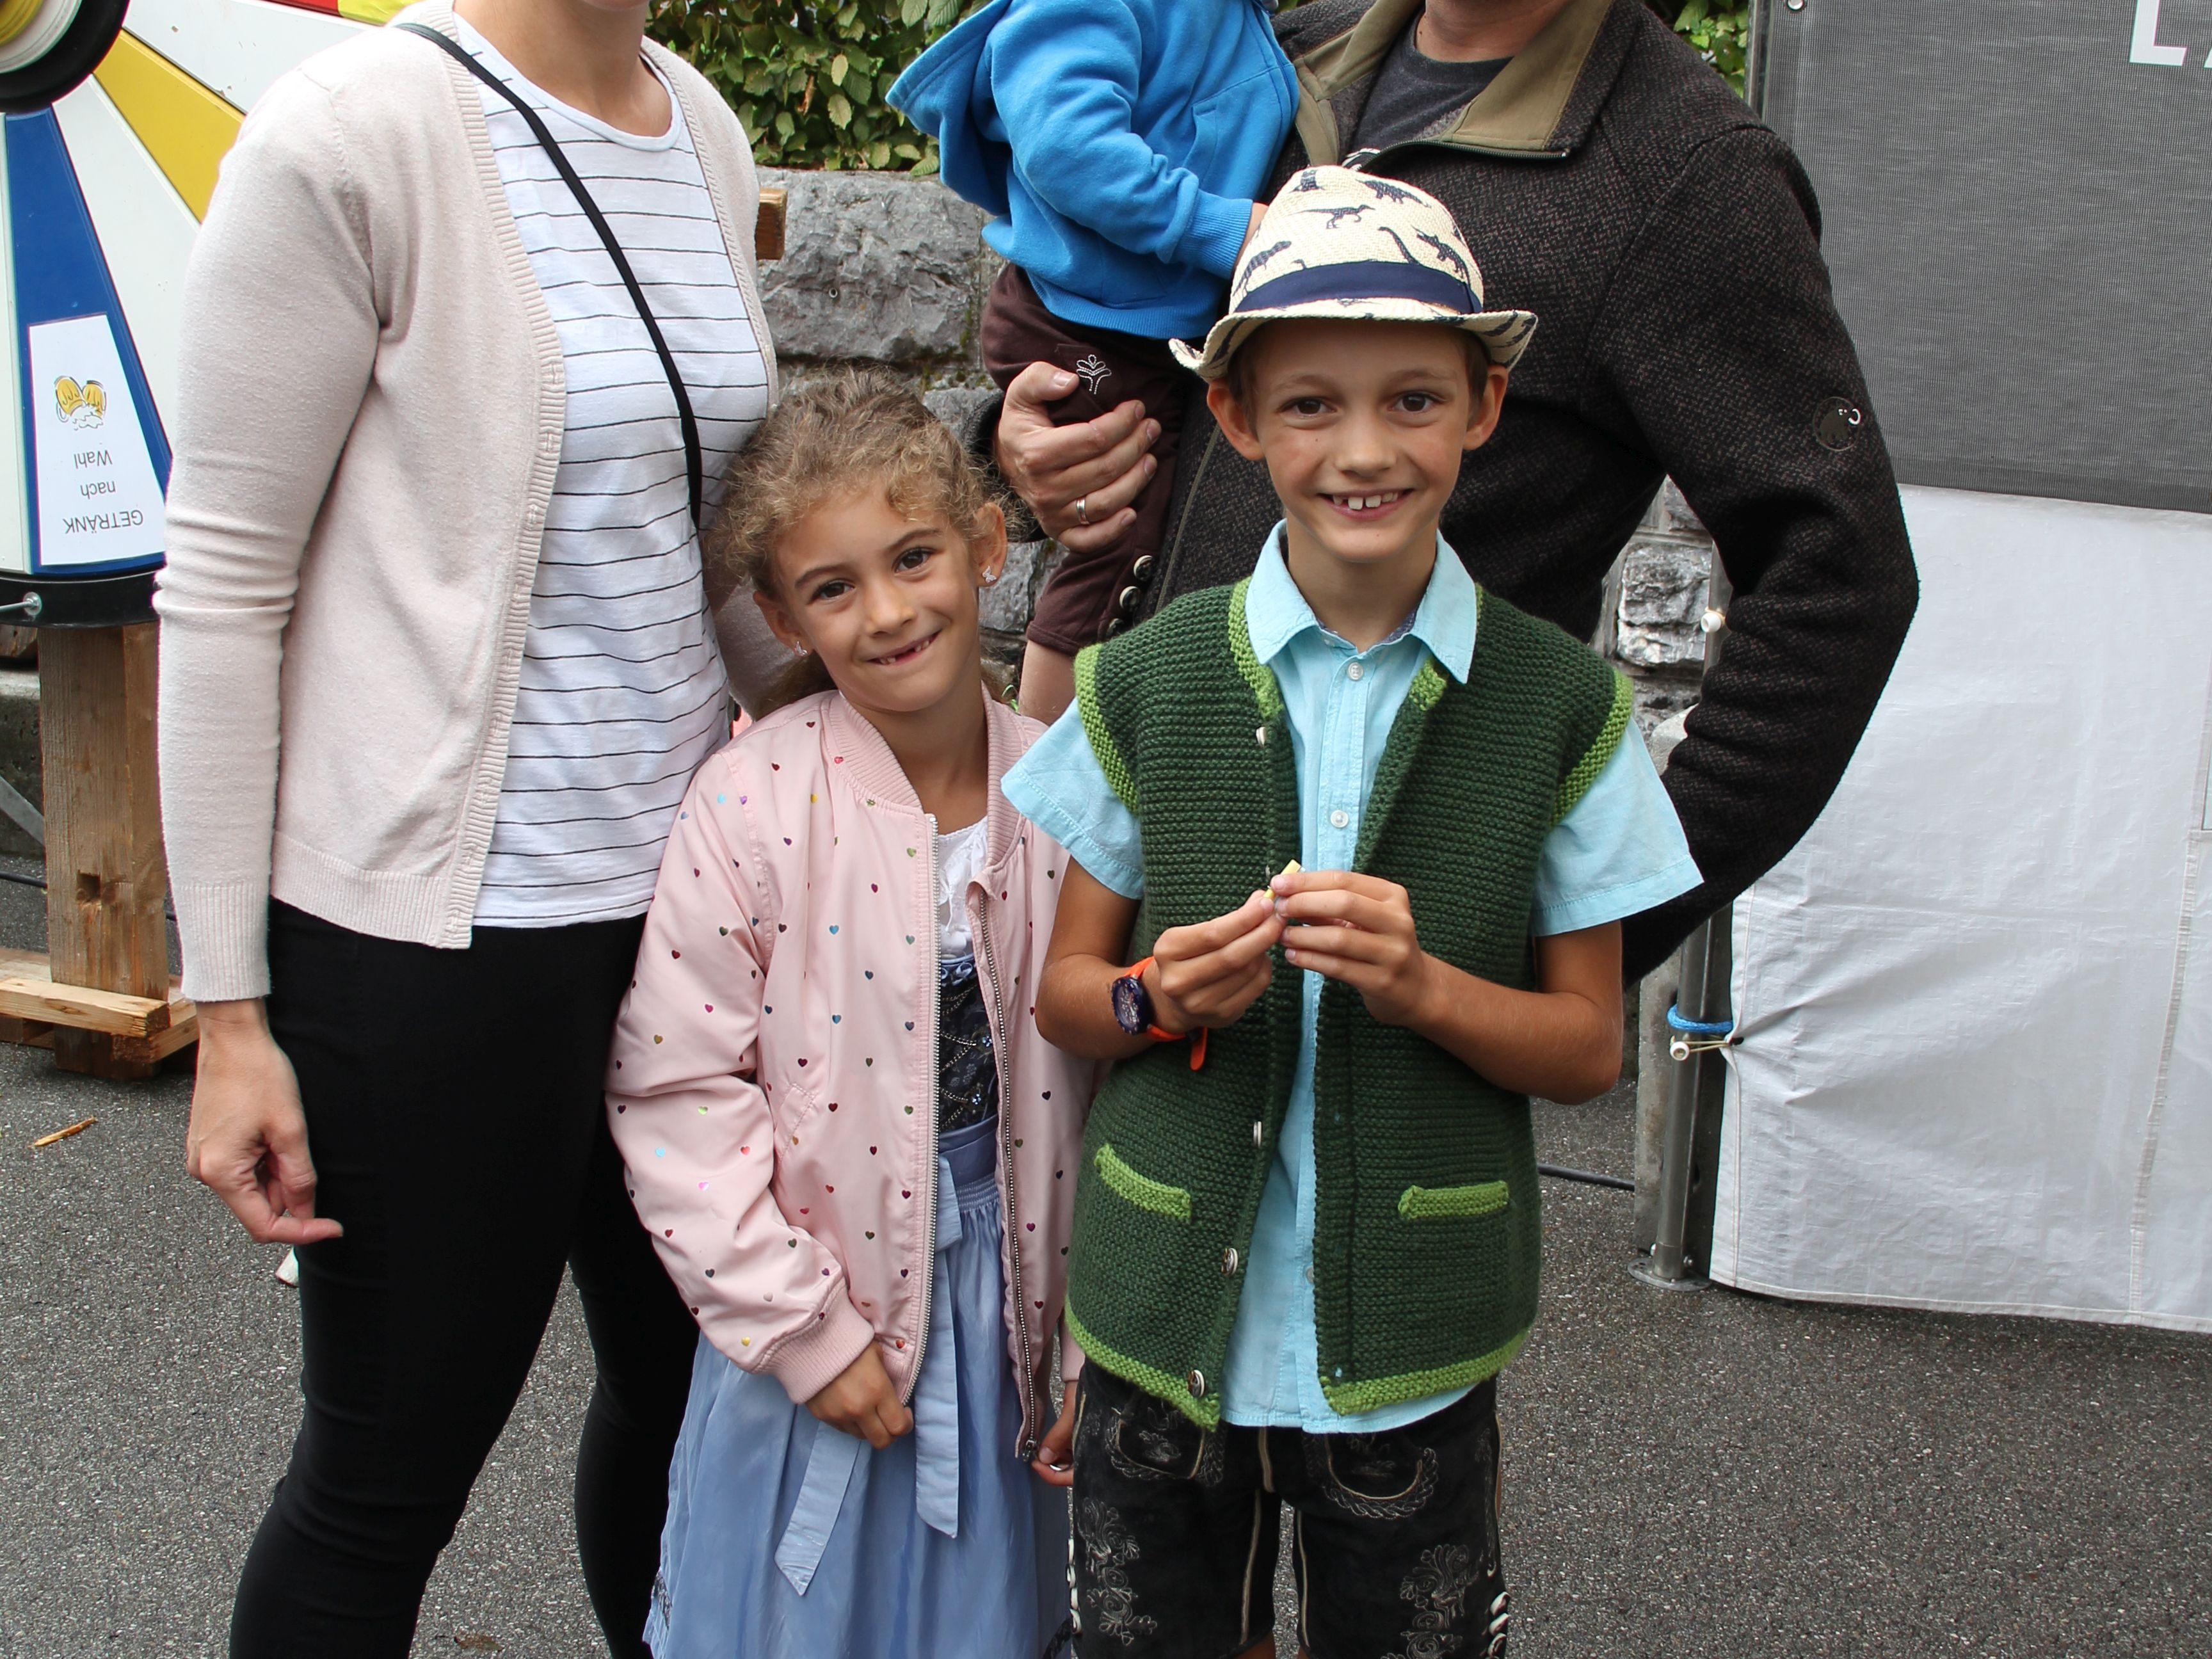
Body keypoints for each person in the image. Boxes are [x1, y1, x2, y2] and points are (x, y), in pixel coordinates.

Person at [154, 0, 786, 1647]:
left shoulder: (696, 126)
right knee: (389, 1472)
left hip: (686, 924)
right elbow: (220, 589)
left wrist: (870, 747)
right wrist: (227, 1011)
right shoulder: (350, 133)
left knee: (686, 1406)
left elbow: (697, 536)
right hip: (431, 945)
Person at [1004, 170, 1701, 1658]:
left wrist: (1425, 985)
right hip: (1155, 1327)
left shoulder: (1561, 707)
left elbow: (1586, 1046)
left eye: (1411, 400)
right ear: (1241, 420)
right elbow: (1067, 995)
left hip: (1409, 1348)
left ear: (1483, 408)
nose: (1363, 447)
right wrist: (1154, 999)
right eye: (1310, 405)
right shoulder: (1146, 675)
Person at [985, 0, 1919, 980]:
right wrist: (1027, 434)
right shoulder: (1286, 55)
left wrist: (1588, 930)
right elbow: (1125, 306)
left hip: (1395, 986)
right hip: (1128, 907)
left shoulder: (1687, 174)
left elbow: (1841, 578)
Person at [605, 373, 1091, 1659]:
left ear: (986, 545)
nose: (886, 613)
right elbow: (677, 1099)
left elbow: (1116, 1086)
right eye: (832, 588)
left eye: (915, 557)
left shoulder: (1068, 792)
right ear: (779, 612)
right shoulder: (749, 808)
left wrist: (1093, 1343)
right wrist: (801, 1332)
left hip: (1009, 1314)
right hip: (812, 1306)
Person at [887, 0, 1299, 723]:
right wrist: (1225, 230)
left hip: (1127, 322)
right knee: (1121, 538)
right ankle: (1041, 790)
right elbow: (1066, 145)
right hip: (1083, 326)